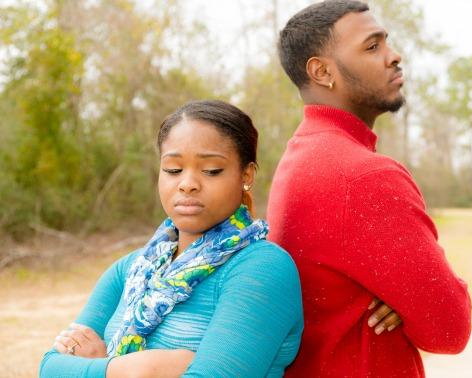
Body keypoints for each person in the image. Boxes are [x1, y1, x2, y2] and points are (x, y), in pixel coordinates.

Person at [267, 1, 472, 377]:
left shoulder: (302, 155)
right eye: (372, 46)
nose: (394, 57)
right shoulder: (363, 176)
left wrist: (409, 300)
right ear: (322, 71)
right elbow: (450, 327)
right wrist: (420, 298)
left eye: (387, 44)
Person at [40, 100, 303, 378]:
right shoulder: (130, 270)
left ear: (246, 175)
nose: (187, 183)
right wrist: (139, 368)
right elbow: (50, 367)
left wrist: (95, 365)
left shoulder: (261, 268)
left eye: (211, 170)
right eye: (173, 170)